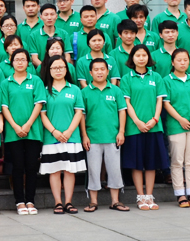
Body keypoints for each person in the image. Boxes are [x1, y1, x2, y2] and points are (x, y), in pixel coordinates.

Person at [120, 45, 168, 211]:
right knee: (137, 163)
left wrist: (155, 119)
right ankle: (140, 196)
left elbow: (160, 100)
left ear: (149, 57)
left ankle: (149, 196)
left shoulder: (156, 77)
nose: (141, 58)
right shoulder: (126, 78)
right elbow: (126, 103)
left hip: (154, 127)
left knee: (151, 163)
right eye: (138, 55)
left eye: (144, 55)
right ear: (132, 58)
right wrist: (137, 121)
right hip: (134, 128)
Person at [0, 49, 47, 215]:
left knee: (31, 167)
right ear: (11, 62)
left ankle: (30, 201)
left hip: (33, 131)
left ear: (28, 62)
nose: (20, 62)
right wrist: (15, 126)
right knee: (17, 167)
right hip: (13, 133)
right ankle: (19, 201)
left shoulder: (35, 80)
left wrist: (27, 125)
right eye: (17, 59)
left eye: (23, 59)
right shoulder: (6, 83)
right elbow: (4, 107)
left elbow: (39, 104)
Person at [38, 55, 86, 215]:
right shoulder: (44, 90)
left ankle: (68, 202)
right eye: (54, 68)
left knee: (70, 170)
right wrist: (54, 131)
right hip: (51, 138)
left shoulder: (75, 89)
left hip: (72, 137)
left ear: (66, 69)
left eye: (61, 67)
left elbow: (79, 112)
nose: (58, 70)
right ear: (49, 70)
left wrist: (69, 131)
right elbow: (42, 114)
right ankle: (58, 202)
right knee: (55, 170)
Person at [80, 58, 128, 212]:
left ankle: (115, 201)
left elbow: (122, 111)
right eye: (96, 69)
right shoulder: (84, 92)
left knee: (114, 169)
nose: (99, 72)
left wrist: (121, 131)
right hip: (92, 138)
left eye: (102, 69)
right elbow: (81, 115)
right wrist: (84, 135)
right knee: (93, 170)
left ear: (108, 72)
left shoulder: (115, 90)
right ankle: (93, 201)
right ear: (90, 73)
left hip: (112, 136)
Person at [163, 49, 190, 209]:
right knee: (177, 161)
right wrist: (180, 119)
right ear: (172, 62)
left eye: (185, 60)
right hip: (176, 126)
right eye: (179, 60)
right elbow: (166, 103)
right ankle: (180, 193)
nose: (182, 63)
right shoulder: (167, 80)